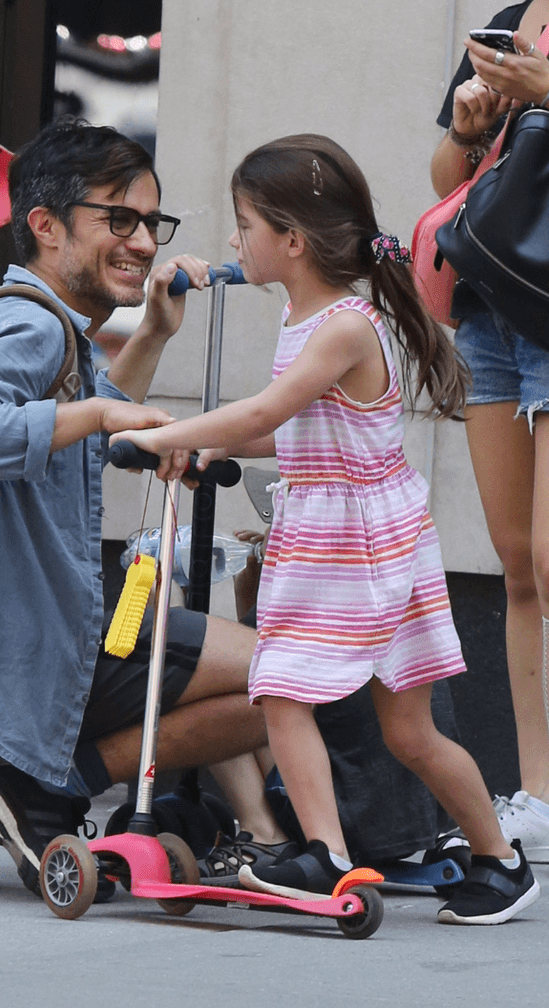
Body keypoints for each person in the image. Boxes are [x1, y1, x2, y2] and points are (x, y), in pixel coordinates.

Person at [115, 134, 539, 924]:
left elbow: (265, 412)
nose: (235, 240)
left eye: (246, 225)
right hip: (368, 541)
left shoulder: (343, 327)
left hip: (353, 548)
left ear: (293, 241)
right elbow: (293, 433)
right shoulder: (308, 317)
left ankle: (329, 858)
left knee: (283, 692)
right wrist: (208, 447)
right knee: (408, 732)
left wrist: (162, 433)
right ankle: (500, 862)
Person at [0, 117, 292, 897]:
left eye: (151, 222)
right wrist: (104, 414)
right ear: (46, 225)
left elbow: (88, 428)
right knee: (288, 677)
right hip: (16, 655)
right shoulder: (27, 323)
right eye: (118, 219)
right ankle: (42, 783)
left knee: (246, 665)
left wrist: (155, 335)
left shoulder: (35, 320)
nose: (142, 242)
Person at [429, 3, 549, 861]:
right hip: (491, 310)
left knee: (548, 557)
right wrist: (470, 131)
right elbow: (447, 178)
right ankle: (538, 791)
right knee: (517, 567)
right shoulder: (513, 18)